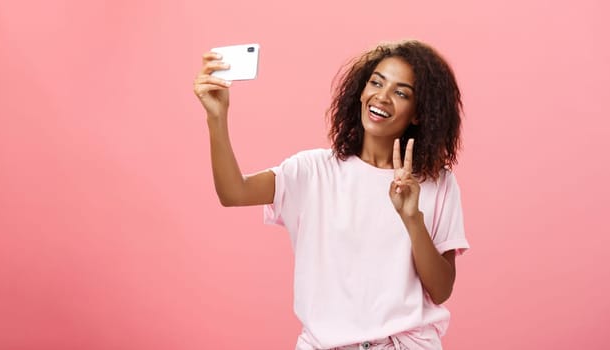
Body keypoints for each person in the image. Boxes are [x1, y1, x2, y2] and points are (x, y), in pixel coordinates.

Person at [193, 40, 470, 350]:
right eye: (376, 83)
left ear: (419, 113)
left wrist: (412, 219)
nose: (382, 96)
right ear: (362, 91)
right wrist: (216, 118)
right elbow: (234, 192)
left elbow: (442, 289)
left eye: (401, 92)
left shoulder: (437, 183)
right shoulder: (313, 170)